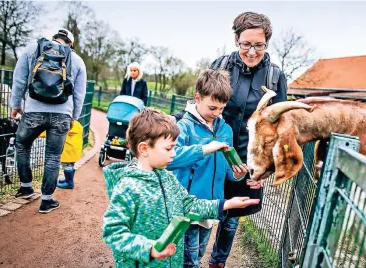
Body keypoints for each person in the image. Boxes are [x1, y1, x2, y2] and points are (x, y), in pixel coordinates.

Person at [101, 108, 259, 268]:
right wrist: (149, 249)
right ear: (144, 149)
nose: (173, 154)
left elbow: (189, 205)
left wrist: (226, 204)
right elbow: (113, 231)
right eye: (169, 149)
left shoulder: (168, 178)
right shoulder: (128, 187)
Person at [208, 12, 288, 267]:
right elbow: (201, 109)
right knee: (200, 212)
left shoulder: (275, 78)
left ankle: (217, 262)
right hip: (212, 156)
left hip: (247, 162)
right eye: (246, 44)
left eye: (259, 45)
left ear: (267, 44)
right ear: (236, 40)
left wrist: (266, 170)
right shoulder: (219, 67)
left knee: (231, 219)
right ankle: (190, 258)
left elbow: (281, 129)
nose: (252, 52)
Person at [167, 69, 254, 268]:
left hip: (211, 206)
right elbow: (171, 158)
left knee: (198, 253)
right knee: (190, 261)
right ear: (197, 98)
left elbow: (227, 171)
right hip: (188, 205)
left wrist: (237, 174)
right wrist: (205, 149)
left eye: (221, 109)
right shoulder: (183, 126)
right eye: (212, 108)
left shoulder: (225, 130)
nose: (217, 114)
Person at [10, 29, 87, 214]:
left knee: (22, 145)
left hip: (33, 111)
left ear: (53, 38)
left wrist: (16, 105)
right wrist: (73, 118)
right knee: (53, 157)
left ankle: (26, 187)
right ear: (71, 44)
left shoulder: (33, 49)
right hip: (62, 115)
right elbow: (79, 95)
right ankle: (46, 201)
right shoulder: (76, 60)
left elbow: (19, 80)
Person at [38, 120, 83, 189]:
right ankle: (68, 179)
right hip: (74, 149)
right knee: (70, 165)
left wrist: (39, 134)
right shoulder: (77, 124)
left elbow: (54, 132)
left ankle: (69, 183)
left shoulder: (68, 125)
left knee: (67, 166)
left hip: (68, 150)